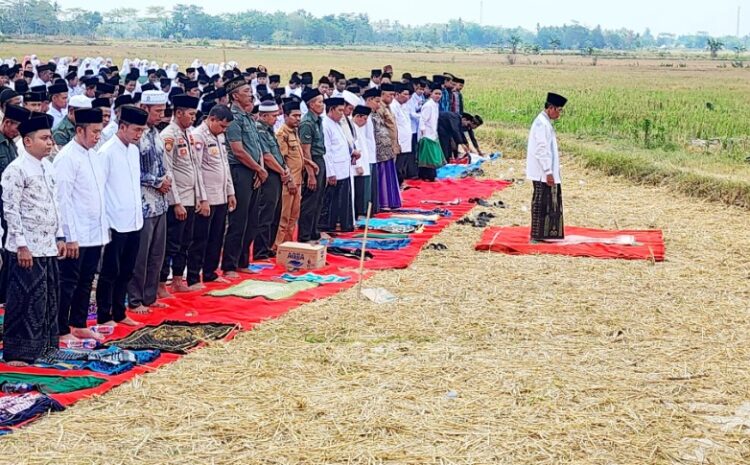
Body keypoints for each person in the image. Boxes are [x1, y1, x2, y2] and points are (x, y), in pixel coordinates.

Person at [1, 113, 65, 366]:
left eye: (50, 138)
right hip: (26, 248)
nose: (50, 143)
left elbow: (55, 204)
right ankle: (19, 353)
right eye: (44, 138)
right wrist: (21, 245)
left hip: (47, 245)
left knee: (47, 300)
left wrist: (60, 236)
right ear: (27, 141)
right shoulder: (15, 170)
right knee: (24, 301)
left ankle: (46, 348)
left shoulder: (48, 166)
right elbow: (10, 210)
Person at [53, 108, 109, 344]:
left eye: (100, 131)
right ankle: (61, 328)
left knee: (87, 281)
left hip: (94, 232)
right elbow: (62, 200)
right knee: (68, 283)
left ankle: (78, 324)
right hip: (76, 234)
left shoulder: (93, 154)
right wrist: (69, 236)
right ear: (79, 130)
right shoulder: (66, 157)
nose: (98, 136)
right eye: (94, 132)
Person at [96, 105, 148, 327]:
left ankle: (119, 312)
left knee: (126, 270)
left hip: (134, 219)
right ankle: (104, 315)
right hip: (114, 222)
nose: (139, 135)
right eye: (136, 130)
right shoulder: (106, 152)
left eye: (142, 131)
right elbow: (100, 189)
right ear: (123, 126)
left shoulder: (134, 151)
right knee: (110, 272)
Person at [129, 90, 172, 314]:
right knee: (141, 255)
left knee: (157, 253)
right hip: (144, 203)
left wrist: (165, 180)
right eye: (157, 111)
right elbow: (132, 171)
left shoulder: (156, 133)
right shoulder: (136, 136)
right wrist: (157, 182)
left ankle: (150, 295)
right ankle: (135, 300)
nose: (161, 115)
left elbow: (163, 164)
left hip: (160, 203)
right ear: (144, 109)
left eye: (163, 111)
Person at [159, 94, 206, 294]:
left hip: (191, 198)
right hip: (178, 200)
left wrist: (202, 197)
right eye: (190, 114)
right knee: (172, 244)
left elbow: (196, 167)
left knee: (185, 242)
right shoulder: (169, 135)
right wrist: (176, 202)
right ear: (178, 113)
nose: (193, 118)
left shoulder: (188, 133)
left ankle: (178, 280)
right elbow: (168, 171)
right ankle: (161, 283)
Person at [220, 76, 266, 278]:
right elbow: (238, 151)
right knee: (238, 220)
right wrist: (258, 168)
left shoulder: (248, 117)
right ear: (235, 95)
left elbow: (256, 146)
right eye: (246, 91)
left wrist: (260, 168)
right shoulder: (233, 118)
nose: (250, 94)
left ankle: (243, 261)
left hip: (254, 170)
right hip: (240, 171)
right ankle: (229, 265)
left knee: (252, 220)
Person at [186, 105, 236, 287]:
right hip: (207, 196)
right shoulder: (199, 136)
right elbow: (196, 169)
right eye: (222, 126)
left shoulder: (220, 136)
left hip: (221, 194)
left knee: (216, 237)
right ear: (212, 119)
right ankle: (193, 276)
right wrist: (202, 198)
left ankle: (210, 272)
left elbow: (225, 165)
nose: (224, 130)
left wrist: (230, 192)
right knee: (200, 239)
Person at [527, 92, 567, 242]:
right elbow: (541, 150)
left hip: (545, 171)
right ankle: (536, 235)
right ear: (551, 108)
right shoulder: (541, 124)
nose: (559, 114)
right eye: (559, 110)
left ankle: (545, 234)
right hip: (541, 172)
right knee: (540, 202)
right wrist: (548, 172)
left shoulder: (545, 122)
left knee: (548, 202)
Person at [254, 101, 289, 259]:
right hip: (269, 175)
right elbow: (267, 157)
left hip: (278, 174)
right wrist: (282, 171)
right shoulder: (260, 131)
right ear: (263, 115)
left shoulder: (269, 130)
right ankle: (260, 250)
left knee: (275, 213)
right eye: (273, 116)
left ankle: (268, 246)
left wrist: (285, 169)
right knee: (266, 214)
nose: (276, 118)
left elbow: (276, 154)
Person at [320, 97, 356, 232]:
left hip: (344, 167)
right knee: (332, 202)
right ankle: (328, 227)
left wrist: (352, 153)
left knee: (343, 200)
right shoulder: (325, 124)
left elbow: (343, 144)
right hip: (334, 169)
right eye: (339, 110)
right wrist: (331, 173)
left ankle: (343, 225)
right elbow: (327, 151)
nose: (342, 113)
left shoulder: (337, 123)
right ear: (331, 109)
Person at [297, 89, 327, 243]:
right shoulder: (307, 123)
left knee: (319, 199)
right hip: (312, 161)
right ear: (310, 104)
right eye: (319, 102)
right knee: (310, 200)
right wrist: (311, 174)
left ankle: (314, 231)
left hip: (320, 159)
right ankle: (305, 235)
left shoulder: (318, 120)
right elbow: (305, 151)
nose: (322, 105)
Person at [274, 101, 304, 247]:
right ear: (285, 116)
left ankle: (289, 243)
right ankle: (278, 245)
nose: (298, 119)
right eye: (294, 116)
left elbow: (296, 156)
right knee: (284, 216)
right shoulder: (282, 133)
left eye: (299, 116)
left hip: (298, 181)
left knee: (294, 216)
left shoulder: (294, 131)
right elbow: (282, 160)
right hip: (288, 182)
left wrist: (309, 164)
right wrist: (289, 181)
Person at [368, 87, 401, 209]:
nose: (392, 97)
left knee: (388, 174)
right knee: (382, 176)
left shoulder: (382, 109)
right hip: (379, 149)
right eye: (377, 101)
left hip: (387, 146)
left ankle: (390, 201)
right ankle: (383, 203)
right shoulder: (371, 113)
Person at [417, 84, 445, 182]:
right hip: (427, 135)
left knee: (431, 156)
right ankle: (429, 176)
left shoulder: (435, 105)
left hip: (433, 134)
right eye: (436, 93)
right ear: (431, 94)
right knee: (429, 157)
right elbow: (422, 120)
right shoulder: (428, 105)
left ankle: (427, 176)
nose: (438, 96)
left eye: (440, 94)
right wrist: (423, 134)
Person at [351, 105, 374, 217]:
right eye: (364, 119)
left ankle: (364, 212)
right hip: (358, 166)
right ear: (357, 116)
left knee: (364, 190)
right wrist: (358, 165)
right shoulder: (352, 128)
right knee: (360, 191)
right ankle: (359, 213)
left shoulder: (359, 129)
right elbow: (355, 148)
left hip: (365, 163)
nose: (365, 122)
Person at [391, 83, 414, 185]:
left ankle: (401, 182)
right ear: (397, 94)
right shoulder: (393, 106)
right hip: (399, 141)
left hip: (406, 140)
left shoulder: (404, 106)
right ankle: (397, 183)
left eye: (408, 95)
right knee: (398, 164)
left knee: (404, 163)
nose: (407, 97)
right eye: (404, 94)